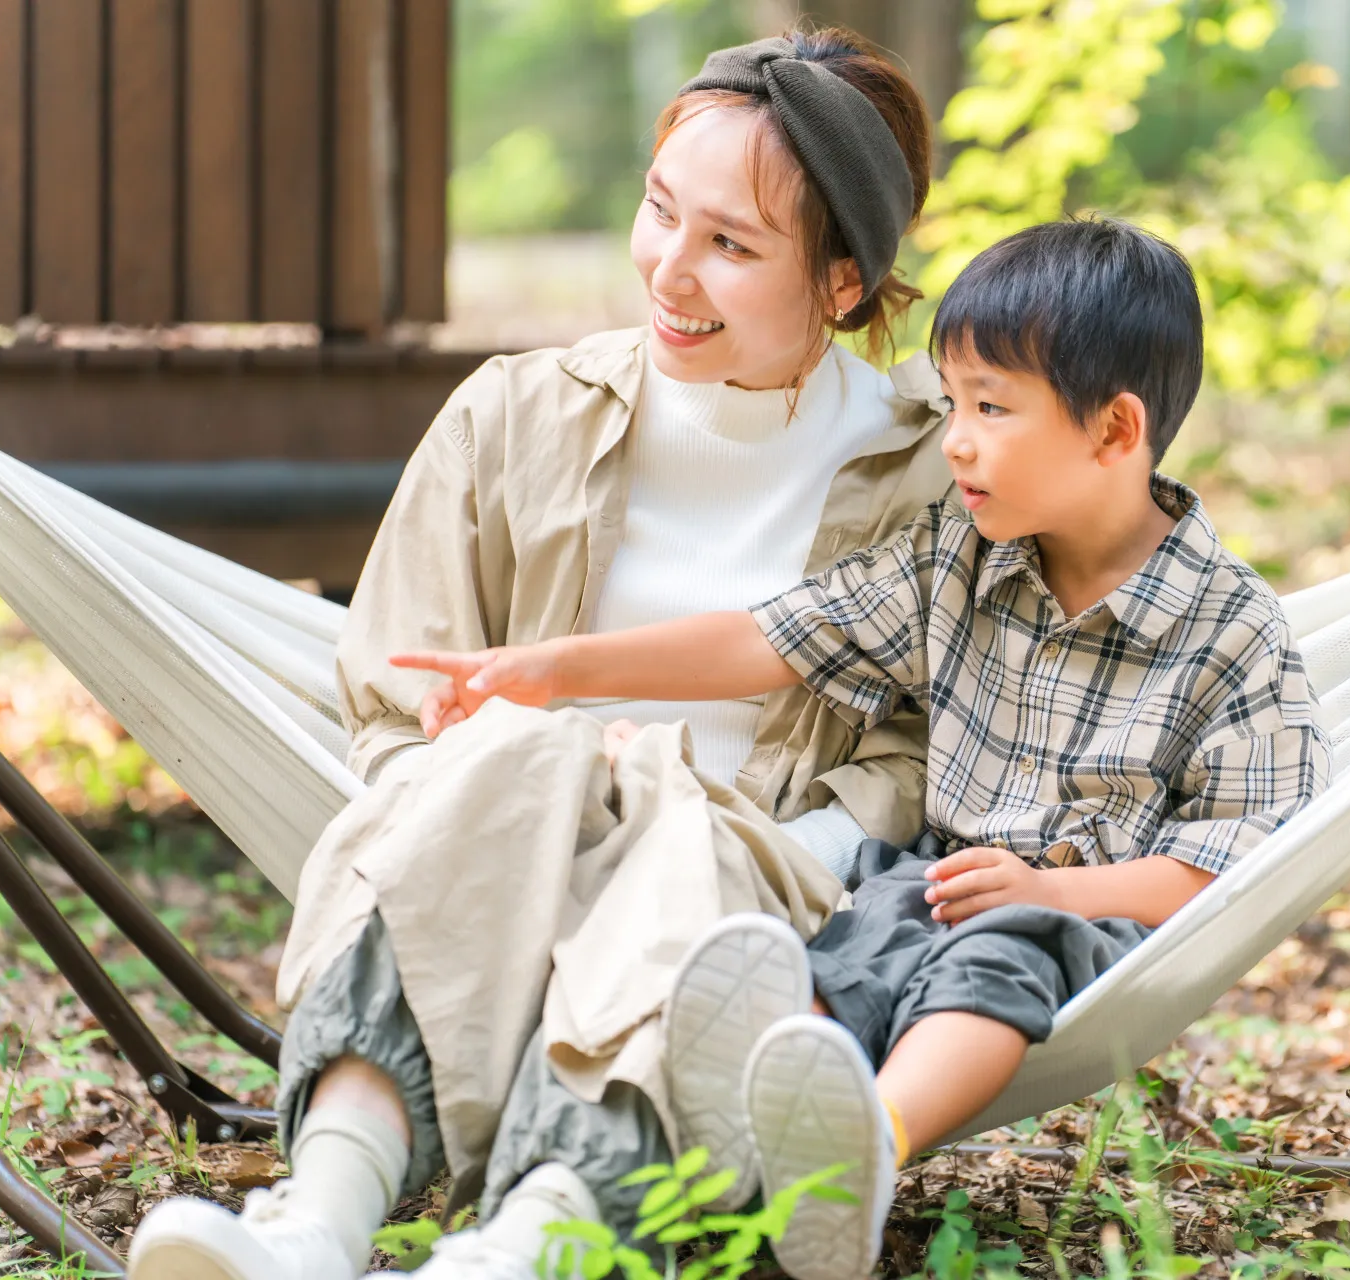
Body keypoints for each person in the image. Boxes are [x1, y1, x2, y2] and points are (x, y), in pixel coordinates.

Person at [129, 27, 950, 1280]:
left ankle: (525, 1242)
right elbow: (405, 690)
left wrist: (781, 847)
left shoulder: (933, 478)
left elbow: (922, 747)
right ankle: (317, 1221)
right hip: (497, 820)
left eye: (730, 245)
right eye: (659, 208)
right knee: (521, 759)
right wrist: (523, 798)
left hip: (751, 870)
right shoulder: (512, 413)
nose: (670, 269)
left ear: (842, 283)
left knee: (681, 847)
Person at [411, 217, 1333, 1280]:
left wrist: (1058, 890)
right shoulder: (962, 555)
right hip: (926, 881)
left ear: (1115, 431)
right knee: (823, 956)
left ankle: (869, 1152)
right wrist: (565, 666)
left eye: (991, 408)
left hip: (1089, 921)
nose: (955, 439)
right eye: (953, 404)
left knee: (1006, 944)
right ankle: (749, 1142)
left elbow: (1248, 861)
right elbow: (772, 636)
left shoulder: (1234, 635)